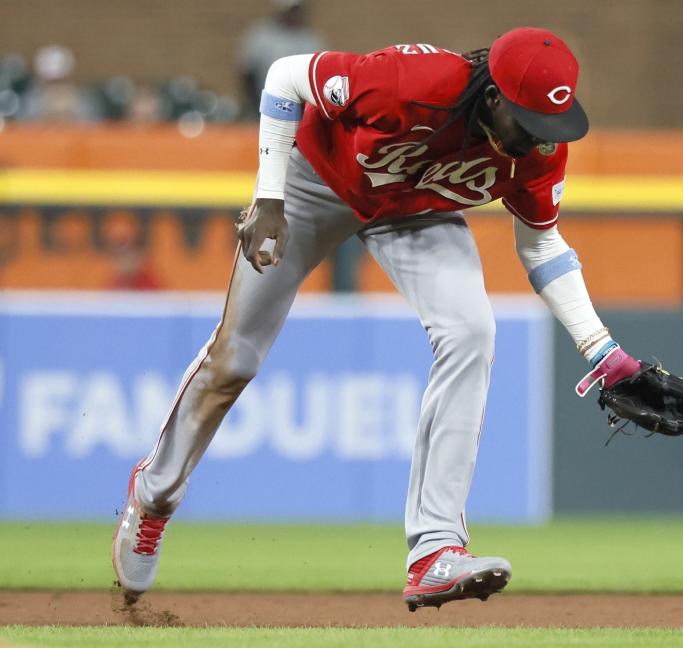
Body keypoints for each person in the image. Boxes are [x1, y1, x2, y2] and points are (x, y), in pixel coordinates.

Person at [112, 27, 644, 611]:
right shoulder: (410, 83)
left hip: (413, 209)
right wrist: (269, 197)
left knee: (472, 332)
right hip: (314, 180)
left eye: (552, 125)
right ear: (493, 97)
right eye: (531, 122)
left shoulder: (538, 149)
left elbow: (542, 246)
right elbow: (285, 76)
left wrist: (602, 351)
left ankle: (436, 549)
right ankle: (154, 496)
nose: (542, 140)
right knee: (235, 359)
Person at [237, 0, 328, 118]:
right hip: (265, 107)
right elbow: (247, 74)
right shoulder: (261, 36)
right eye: (290, 11)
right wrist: (255, 106)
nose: (294, 15)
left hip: (303, 111)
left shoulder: (311, 39)